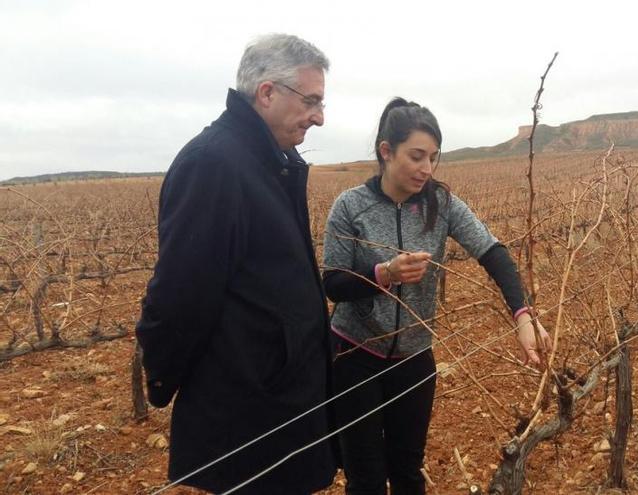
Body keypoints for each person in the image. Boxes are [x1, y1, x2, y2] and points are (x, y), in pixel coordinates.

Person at [135, 34, 336, 494]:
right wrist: (162, 377)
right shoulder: (214, 164)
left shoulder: (271, 161)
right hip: (249, 408)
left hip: (281, 397)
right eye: (311, 101)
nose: (320, 117)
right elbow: (179, 296)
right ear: (267, 93)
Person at [322, 97, 552, 494]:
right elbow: (333, 284)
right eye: (416, 156)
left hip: (413, 360)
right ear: (386, 151)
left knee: (408, 471)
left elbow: (492, 252)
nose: (426, 169)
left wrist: (522, 315)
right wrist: (383, 274)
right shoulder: (350, 206)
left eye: (433, 158)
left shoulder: (441, 204)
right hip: (354, 357)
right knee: (365, 479)